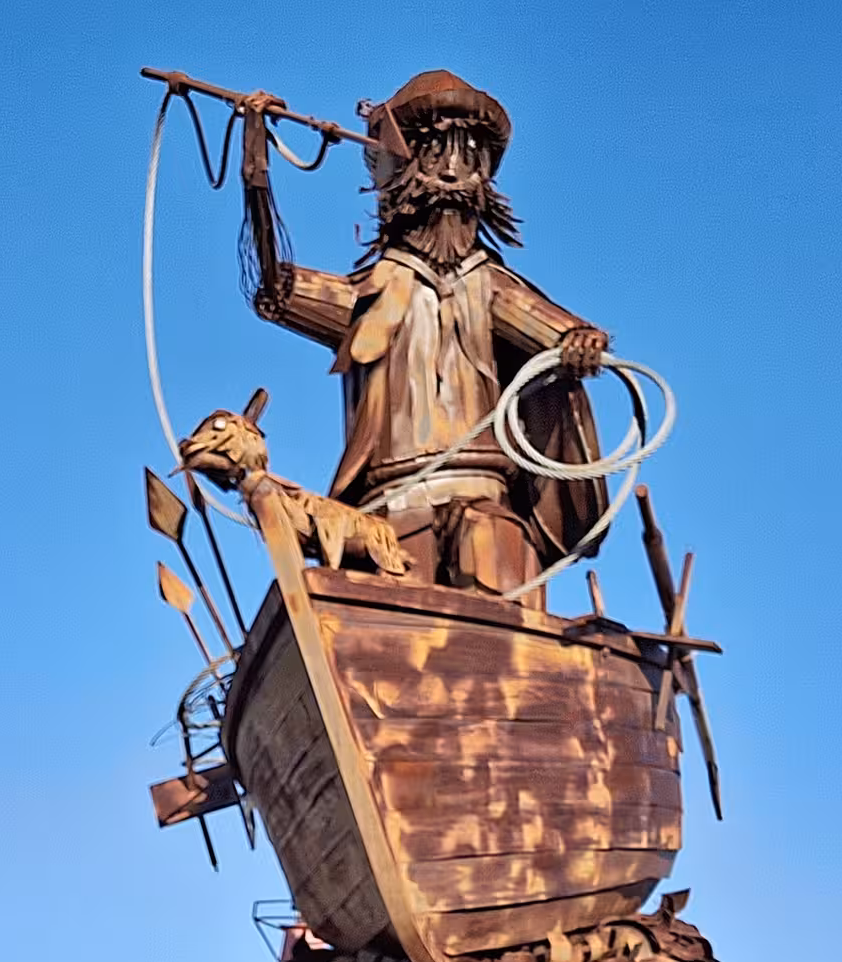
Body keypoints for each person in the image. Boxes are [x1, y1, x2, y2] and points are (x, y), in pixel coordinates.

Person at [239, 71, 612, 604]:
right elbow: (276, 288)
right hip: (388, 507)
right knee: (388, 620)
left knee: (497, 592)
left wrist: (579, 344)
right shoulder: (370, 292)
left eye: (469, 158)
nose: (453, 172)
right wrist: (257, 167)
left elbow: (561, 333)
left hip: (485, 499)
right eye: (435, 155)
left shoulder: (489, 285)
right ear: (405, 168)